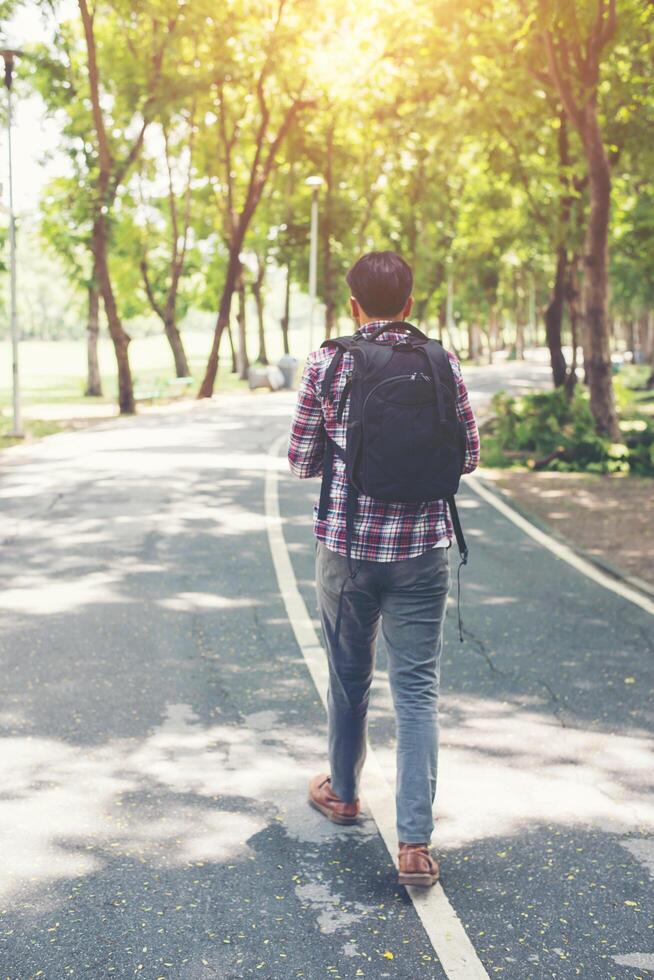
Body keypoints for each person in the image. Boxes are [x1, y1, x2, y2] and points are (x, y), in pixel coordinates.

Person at [288, 251, 480, 887]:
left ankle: (342, 792)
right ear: (410, 302)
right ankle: (416, 846)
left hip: (346, 549)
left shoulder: (330, 360)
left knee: (350, 679)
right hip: (422, 551)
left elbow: (300, 460)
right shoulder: (441, 360)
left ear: (352, 306)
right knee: (417, 689)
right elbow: (470, 456)